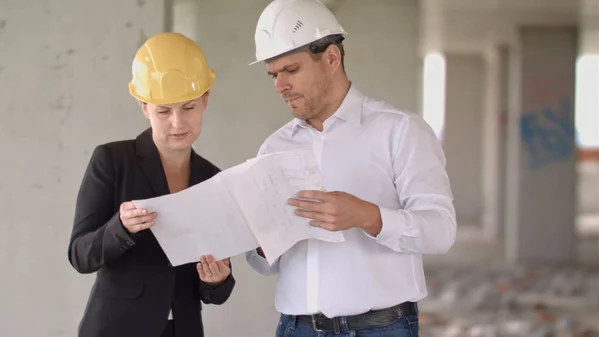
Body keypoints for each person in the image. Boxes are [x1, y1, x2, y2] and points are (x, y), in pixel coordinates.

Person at [245, 1, 457, 336]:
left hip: (380, 328)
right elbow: (262, 264)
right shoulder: (273, 149)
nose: (279, 86)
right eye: (273, 74)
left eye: (291, 70)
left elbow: (441, 231)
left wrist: (368, 217)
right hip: (295, 328)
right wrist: (261, 243)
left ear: (331, 58)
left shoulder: (400, 131)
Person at [67, 32, 235, 337]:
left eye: (188, 107)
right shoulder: (112, 160)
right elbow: (80, 254)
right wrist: (121, 227)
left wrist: (216, 281)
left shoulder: (213, 179)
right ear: (144, 107)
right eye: (163, 111)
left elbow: (217, 293)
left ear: (205, 100)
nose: (177, 122)